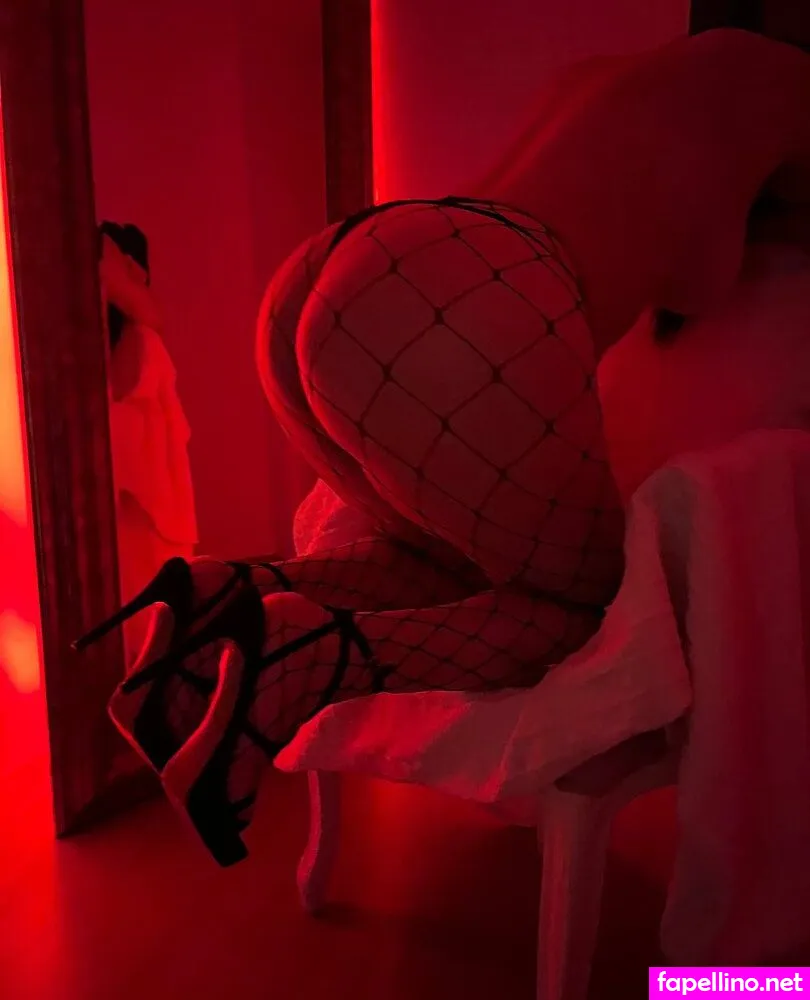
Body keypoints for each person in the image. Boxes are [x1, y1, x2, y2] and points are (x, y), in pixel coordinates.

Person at [78, 30, 810, 865]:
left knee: (443, 561)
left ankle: (222, 592)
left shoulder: (616, 76)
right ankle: (294, 660)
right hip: (468, 290)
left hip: (346, 262)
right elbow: (701, 282)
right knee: (594, 615)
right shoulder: (786, 89)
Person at [98, 223, 199, 662]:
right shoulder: (138, 339)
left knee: (148, 619)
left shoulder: (140, 339)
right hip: (143, 504)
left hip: (143, 503)